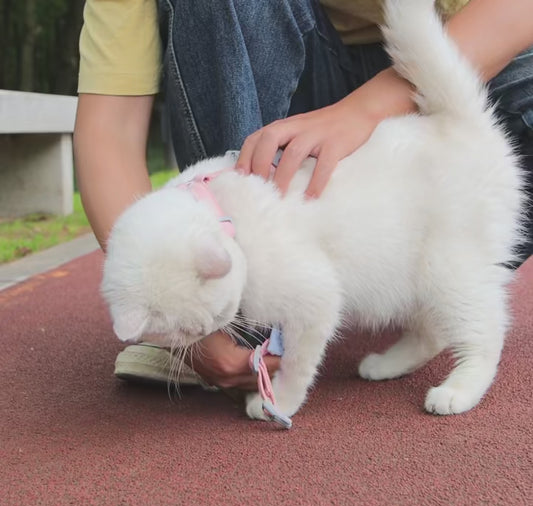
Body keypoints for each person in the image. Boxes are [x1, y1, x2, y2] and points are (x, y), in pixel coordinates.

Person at [74, 0, 533, 391]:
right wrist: (170, 307)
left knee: (463, 222)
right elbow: (107, 130)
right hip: (288, 104)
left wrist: (365, 109)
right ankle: (251, 326)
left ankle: (430, 304)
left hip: (464, 66)